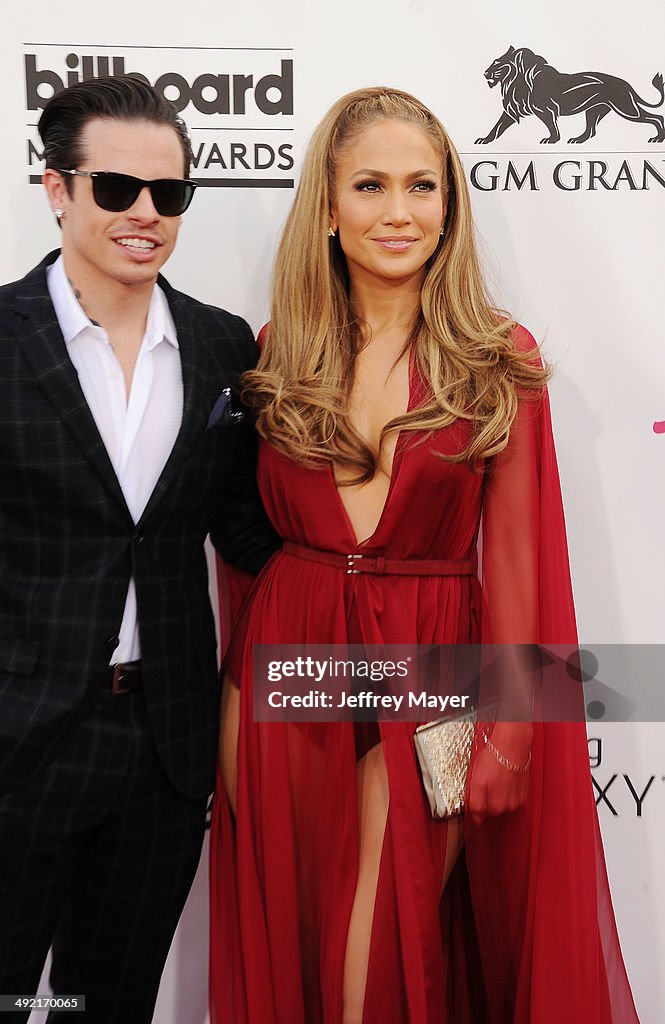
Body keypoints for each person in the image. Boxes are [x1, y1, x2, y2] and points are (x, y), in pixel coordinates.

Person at [209, 87, 638, 1023]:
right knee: (298, 949)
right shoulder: (280, 353)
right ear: (326, 207)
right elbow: (241, 544)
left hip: (438, 667)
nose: (397, 212)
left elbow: (520, 563)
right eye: (369, 185)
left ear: (450, 207)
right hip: (290, 662)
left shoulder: (497, 359)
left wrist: (514, 731)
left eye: (422, 187)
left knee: (381, 951)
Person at [0, 76, 278, 1023]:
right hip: (18, 742)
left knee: (105, 1003)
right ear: (57, 189)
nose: (146, 215)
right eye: (116, 190)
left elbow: (241, 527)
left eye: (170, 194)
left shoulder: (220, 345)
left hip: (162, 748)